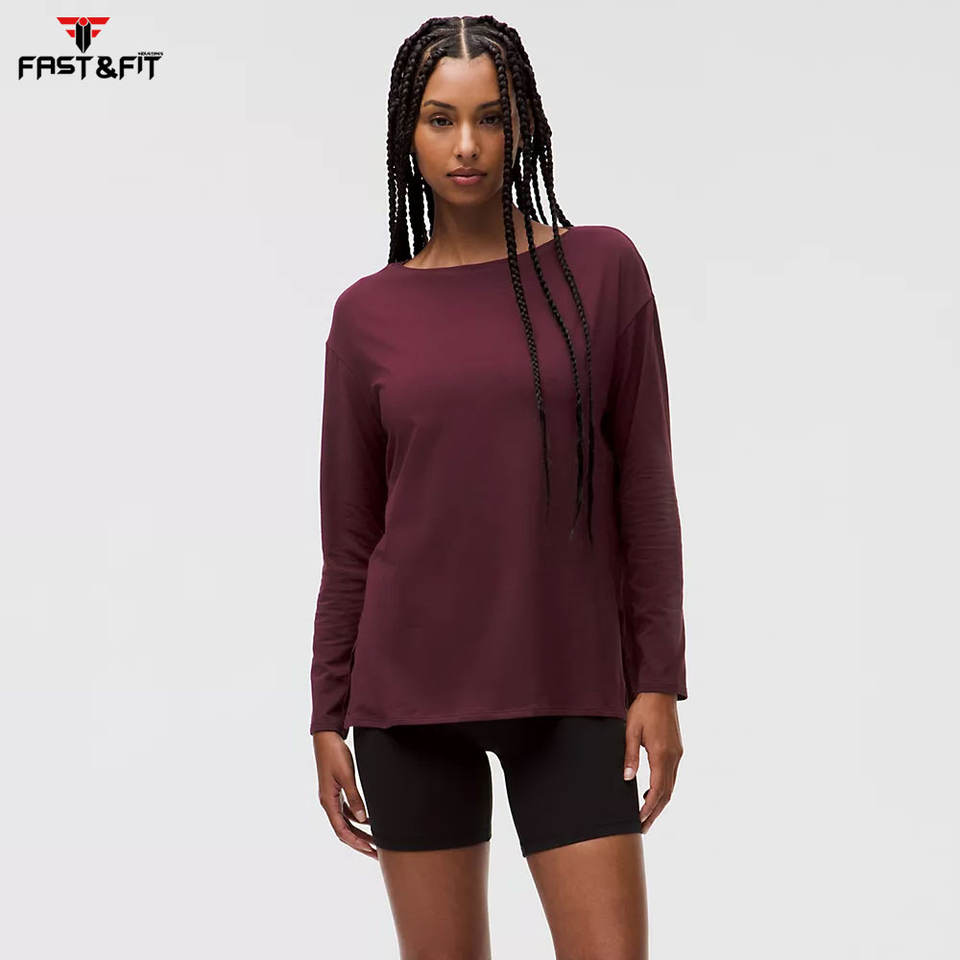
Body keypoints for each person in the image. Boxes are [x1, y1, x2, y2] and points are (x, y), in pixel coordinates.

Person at [310, 15, 687, 959]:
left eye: (490, 118)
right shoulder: (366, 316)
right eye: (441, 119)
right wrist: (327, 712)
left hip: (570, 684)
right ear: (408, 133)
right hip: (406, 699)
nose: (468, 146)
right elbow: (351, 538)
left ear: (523, 127)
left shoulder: (601, 269)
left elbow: (646, 490)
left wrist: (658, 680)